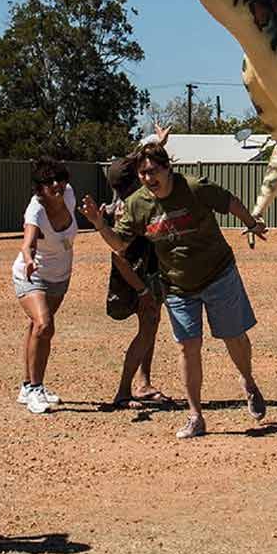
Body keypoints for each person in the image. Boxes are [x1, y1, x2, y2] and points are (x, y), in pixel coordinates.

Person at [81, 144, 269, 439]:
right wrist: (98, 223)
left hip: (218, 273)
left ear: (167, 168)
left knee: (233, 337)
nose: (148, 178)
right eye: (143, 173)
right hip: (178, 285)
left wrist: (251, 223)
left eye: (153, 171)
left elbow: (228, 201)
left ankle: (248, 381)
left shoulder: (193, 187)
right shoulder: (137, 204)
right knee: (187, 346)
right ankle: (196, 416)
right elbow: (120, 245)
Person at [102, 128, 173, 408]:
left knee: (150, 324)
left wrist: (159, 141)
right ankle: (125, 390)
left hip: (147, 264)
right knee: (148, 324)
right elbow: (120, 249)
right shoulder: (130, 206)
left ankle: (143, 382)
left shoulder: (129, 193)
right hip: (137, 268)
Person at [12, 157, 77, 415]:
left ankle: (27, 386)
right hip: (32, 275)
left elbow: (126, 164)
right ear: (39, 189)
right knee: (44, 324)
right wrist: (29, 259)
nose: (57, 185)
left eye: (60, 178)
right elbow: (28, 243)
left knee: (35, 327)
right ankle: (36, 389)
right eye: (49, 182)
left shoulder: (69, 194)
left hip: (60, 276)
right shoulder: (35, 210)